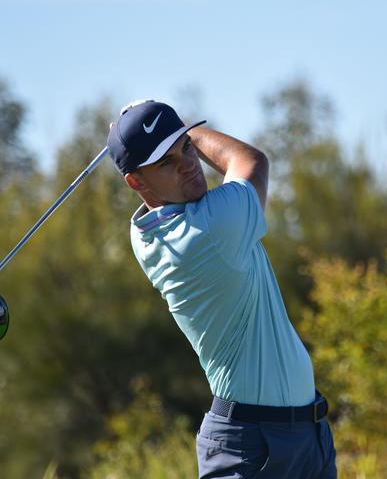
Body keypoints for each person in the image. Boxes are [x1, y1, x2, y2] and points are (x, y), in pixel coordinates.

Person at [107, 99, 337, 478]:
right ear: (136, 181)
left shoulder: (143, 232)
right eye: (167, 162)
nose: (187, 162)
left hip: (303, 436)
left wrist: (153, 132)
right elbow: (251, 161)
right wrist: (184, 129)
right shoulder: (208, 231)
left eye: (185, 147)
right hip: (254, 447)